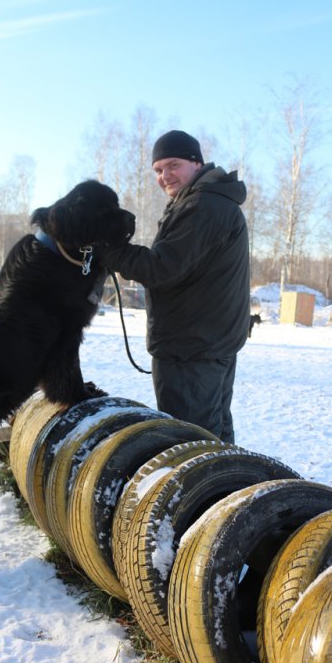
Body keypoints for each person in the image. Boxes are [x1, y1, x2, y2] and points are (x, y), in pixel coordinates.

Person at [96, 129, 250, 443]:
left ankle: (208, 492)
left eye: (173, 165)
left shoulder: (203, 207)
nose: (165, 175)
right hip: (208, 342)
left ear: (196, 163)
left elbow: (161, 268)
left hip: (191, 348)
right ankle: (227, 489)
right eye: (158, 169)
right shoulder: (209, 202)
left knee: (191, 445)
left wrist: (108, 251)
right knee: (215, 438)